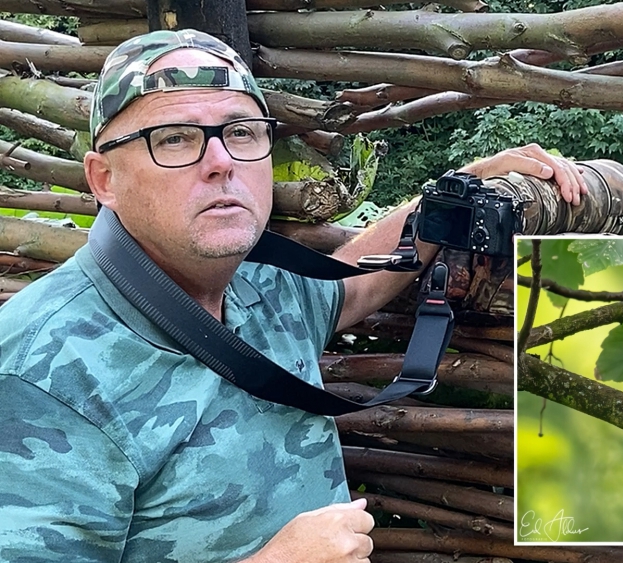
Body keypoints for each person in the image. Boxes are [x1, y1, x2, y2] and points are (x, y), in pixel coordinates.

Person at [0, 29, 585, 562]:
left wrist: (452, 196)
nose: (221, 162)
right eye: (174, 138)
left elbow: (349, 285)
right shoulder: (39, 372)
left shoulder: (254, 281)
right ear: (104, 180)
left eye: (241, 132)